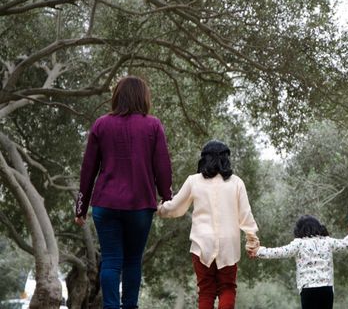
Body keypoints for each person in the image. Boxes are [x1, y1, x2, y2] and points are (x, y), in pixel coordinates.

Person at [74, 76, 173, 309]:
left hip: (105, 204)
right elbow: (163, 165)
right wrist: (167, 198)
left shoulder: (101, 124)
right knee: (131, 261)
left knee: (110, 261)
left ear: (117, 96)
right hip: (140, 206)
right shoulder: (153, 125)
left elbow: (88, 169)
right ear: (143, 97)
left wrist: (81, 207)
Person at [157, 140, 259, 309]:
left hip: (201, 243)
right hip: (229, 244)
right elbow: (245, 214)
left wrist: (160, 208)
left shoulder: (194, 181)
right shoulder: (236, 183)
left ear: (204, 159)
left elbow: (175, 207)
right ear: (226, 159)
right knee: (227, 288)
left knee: (206, 291)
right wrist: (251, 239)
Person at [250, 215, 348, 309]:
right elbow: (347, 243)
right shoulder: (327, 242)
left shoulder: (299, 244)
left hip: (308, 290)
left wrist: (259, 251)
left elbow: (280, 251)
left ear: (299, 230)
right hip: (326, 289)